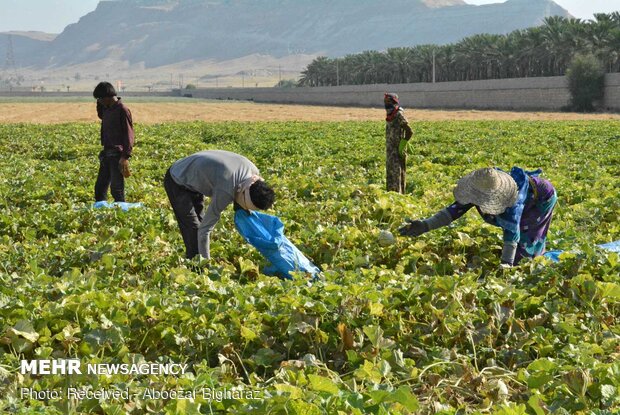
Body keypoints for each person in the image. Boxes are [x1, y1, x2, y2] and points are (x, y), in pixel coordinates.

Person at [399, 167, 557, 266]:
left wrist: (506, 265)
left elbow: (512, 233)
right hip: (526, 196)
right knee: (518, 255)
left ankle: (539, 256)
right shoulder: (479, 188)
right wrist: (425, 225)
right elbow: (453, 211)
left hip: (541, 199)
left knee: (522, 259)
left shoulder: (512, 203)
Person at [164, 150, 275, 260]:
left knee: (201, 220)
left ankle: (197, 259)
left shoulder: (253, 172)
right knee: (193, 228)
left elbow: (242, 198)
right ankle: (196, 268)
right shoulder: (226, 190)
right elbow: (205, 230)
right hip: (177, 178)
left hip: (195, 175)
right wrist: (206, 263)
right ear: (243, 194)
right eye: (246, 207)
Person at [93, 82, 134, 202]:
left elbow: (129, 134)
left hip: (117, 154)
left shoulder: (122, 110)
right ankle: (100, 215)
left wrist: (125, 156)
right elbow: (101, 114)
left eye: (100, 99)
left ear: (108, 97)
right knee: (100, 188)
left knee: (116, 189)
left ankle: (121, 215)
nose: (99, 102)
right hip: (107, 153)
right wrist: (99, 102)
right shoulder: (106, 109)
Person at [384, 93, 413, 194]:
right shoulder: (390, 115)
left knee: (397, 177)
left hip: (397, 151)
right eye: (385, 102)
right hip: (390, 152)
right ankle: (391, 198)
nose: (386, 104)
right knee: (390, 177)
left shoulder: (398, 114)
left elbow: (409, 131)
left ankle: (399, 198)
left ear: (394, 102)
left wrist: (403, 143)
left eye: (388, 102)